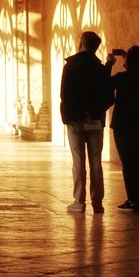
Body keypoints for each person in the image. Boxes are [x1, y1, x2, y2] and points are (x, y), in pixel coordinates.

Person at [60, 30, 113, 214]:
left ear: (81, 43)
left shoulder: (70, 66)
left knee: (79, 161)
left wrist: (78, 115)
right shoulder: (99, 68)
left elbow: (65, 95)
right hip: (95, 122)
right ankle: (97, 203)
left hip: (75, 122)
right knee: (96, 161)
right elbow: (108, 96)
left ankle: (79, 201)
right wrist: (93, 113)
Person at [105, 44, 139, 213]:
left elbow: (105, 83)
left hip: (123, 124)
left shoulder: (122, 77)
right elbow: (138, 72)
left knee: (128, 161)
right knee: (137, 159)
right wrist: (129, 58)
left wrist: (110, 63)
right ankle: (137, 199)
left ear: (129, 61)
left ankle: (133, 198)